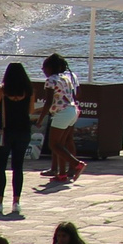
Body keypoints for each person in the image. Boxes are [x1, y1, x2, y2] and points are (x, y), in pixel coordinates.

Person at [0, 62, 32, 217]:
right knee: (18, 167)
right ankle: (16, 202)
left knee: (0, 166)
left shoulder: (1, 90)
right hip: (23, 131)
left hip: (4, 131)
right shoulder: (28, 90)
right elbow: (31, 110)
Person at [39, 54, 81, 184]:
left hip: (62, 113)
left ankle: (76, 164)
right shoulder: (66, 78)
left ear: (50, 68)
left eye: (44, 68)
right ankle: (62, 174)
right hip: (73, 110)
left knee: (54, 144)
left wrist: (40, 119)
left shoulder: (51, 80)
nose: (43, 70)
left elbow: (48, 102)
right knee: (62, 144)